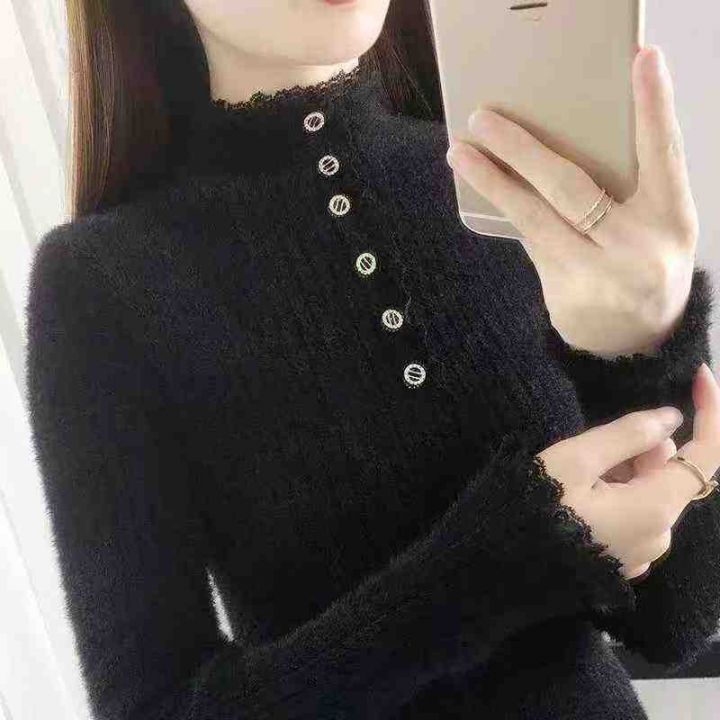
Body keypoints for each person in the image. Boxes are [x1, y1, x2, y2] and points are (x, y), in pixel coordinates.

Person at [24, 1, 720, 718]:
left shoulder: (511, 185)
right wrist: (498, 569)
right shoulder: (99, 283)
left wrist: (651, 341)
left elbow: (677, 620)